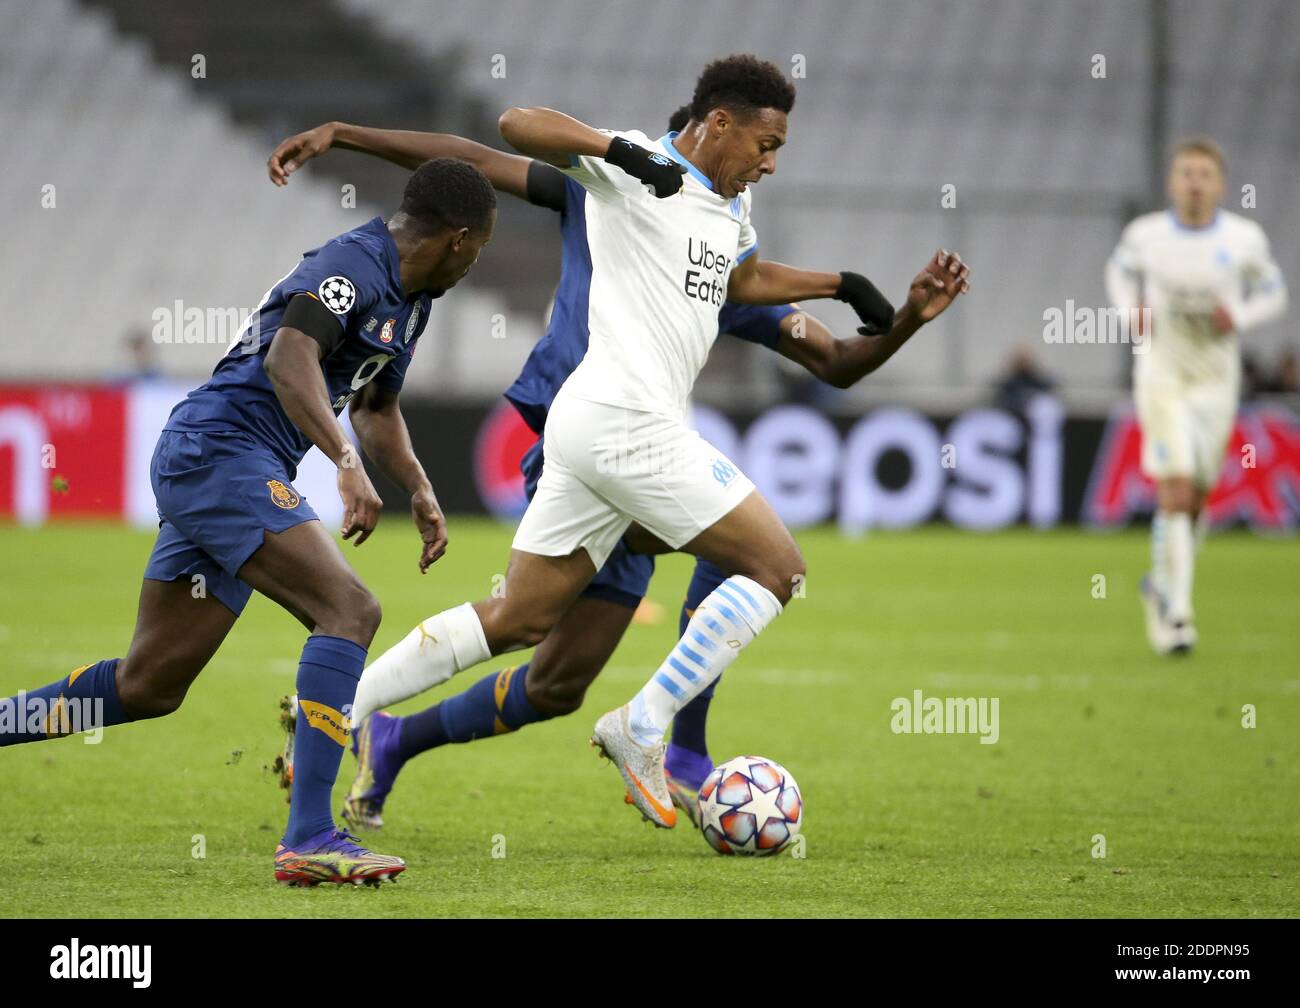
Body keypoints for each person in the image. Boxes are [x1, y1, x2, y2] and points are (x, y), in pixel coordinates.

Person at [268, 101, 969, 830]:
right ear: (712, 127)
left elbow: (792, 322)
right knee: (771, 563)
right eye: (764, 145)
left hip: (607, 429)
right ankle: (663, 734)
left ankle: (349, 713)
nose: (769, 163)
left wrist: (866, 294)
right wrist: (350, 133)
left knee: (536, 645)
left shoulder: (721, 227)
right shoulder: (624, 182)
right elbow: (494, 142)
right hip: (615, 424)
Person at [0, 158, 497, 885]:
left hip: (224, 465)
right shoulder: (352, 264)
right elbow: (288, 358)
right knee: (349, 610)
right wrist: (345, 465)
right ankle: (309, 836)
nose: (475, 264)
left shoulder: (413, 300)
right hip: (218, 453)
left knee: (148, 685)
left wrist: (417, 486)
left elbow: (376, 407)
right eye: (479, 250)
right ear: (458, 238)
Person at [1105, 136, 1287, 655]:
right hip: (1163, 371)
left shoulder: (1243, 237)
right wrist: (1128, 310)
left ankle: (1160, 586)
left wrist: (1243, 316)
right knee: (1177, 487)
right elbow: (1118, 272)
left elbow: (1276, 292)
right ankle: (1178, 613)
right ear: (1172, 181)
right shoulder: (1147, 234)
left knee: (1200, 494)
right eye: (1185, 172)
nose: (1194, 182)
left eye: (1204, 174)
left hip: (1215, 377)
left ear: (1220, 184)